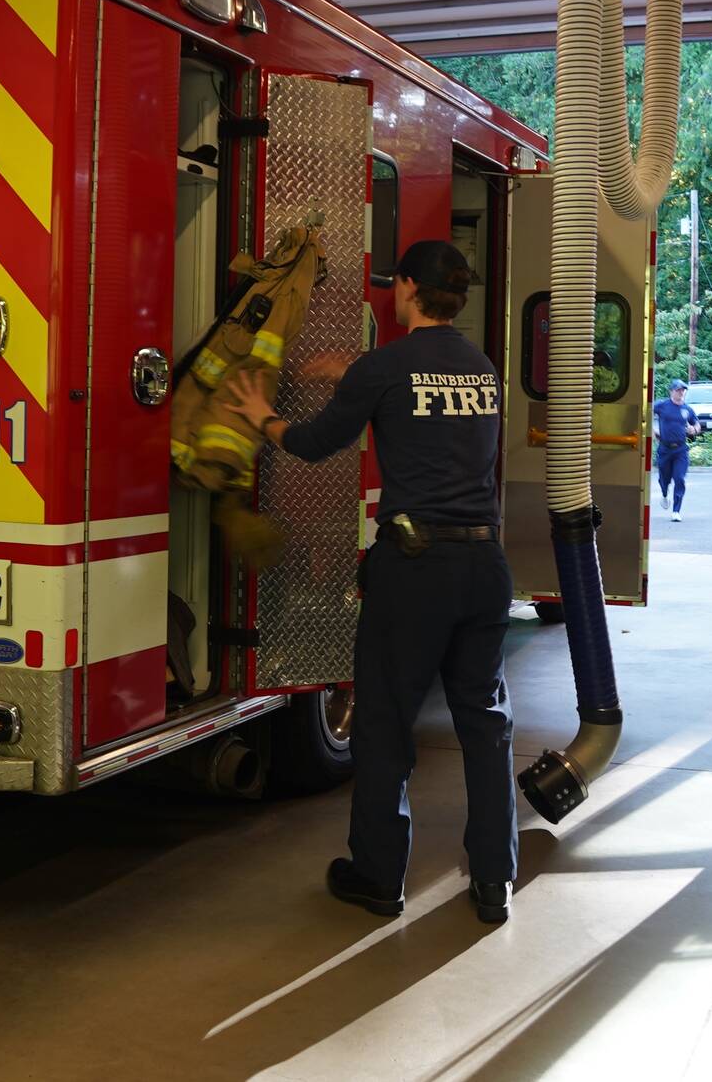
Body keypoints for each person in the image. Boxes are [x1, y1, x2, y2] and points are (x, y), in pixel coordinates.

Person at [223, 240, 517, 927]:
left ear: (408, 287)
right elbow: (425, 395)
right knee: (486, 725)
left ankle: (379, 877)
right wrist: (354, 370)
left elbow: (315, 442)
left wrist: (259, 413)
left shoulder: (386, 367)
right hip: (484, 567)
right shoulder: (482, 367)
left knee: (385, 723)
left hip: (415, 569)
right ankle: (495, 881)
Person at [653, 379, 699, 521]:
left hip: (681, 450)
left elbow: (696, 424)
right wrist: (652, 431)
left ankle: (676, 511)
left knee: (679, 479)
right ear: (671, 391)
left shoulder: (687, 409)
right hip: (665, 449)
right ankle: (665, 493)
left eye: (683, 390)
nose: (681, 392)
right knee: (664, 479)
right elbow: (645, 414)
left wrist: (694, 429)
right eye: (678, 390)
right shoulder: (662, 405)